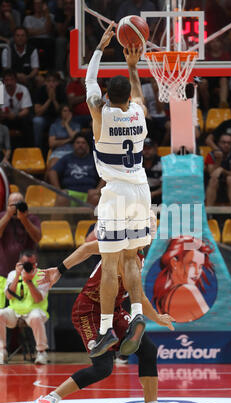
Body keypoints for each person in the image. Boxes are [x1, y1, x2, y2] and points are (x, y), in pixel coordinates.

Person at [28, 236, 181, 403]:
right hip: (89, 311)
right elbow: (135, 292)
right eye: (148, 224)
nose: (150, 228)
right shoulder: (123, 252)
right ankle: (48, 400)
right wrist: (59, 269)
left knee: (148, 350)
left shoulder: (135, 254)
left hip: (114, 309)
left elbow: (86, 250)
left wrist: (59, 270)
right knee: (103, 367)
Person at [85, 24, 151, 357]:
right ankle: (138, 316)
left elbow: (88, 83)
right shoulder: (139, 113)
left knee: (110, 264)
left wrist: (101, 45)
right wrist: (133, 65)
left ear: (109, 97)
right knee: (132, 260)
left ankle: (106, 330)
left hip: (114, 194)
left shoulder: (100, 113)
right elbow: (137, 93)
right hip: (141, 190)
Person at [0, 250, 50, 365]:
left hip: (35, 310)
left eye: (32, 264)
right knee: (0, 314)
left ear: (36, 263)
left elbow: (38, 299)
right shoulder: (13, 274)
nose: (30, 266)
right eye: (27, 264)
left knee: (36, 316)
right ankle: (2, 351)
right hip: (15, 311)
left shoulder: (42, 275)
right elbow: (8, 296)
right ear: (19, 263)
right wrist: (18, 275)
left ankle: (41, 352)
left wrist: (29, 281)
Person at [153, 236, 215, 323]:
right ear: (174, 263)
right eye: (192, 265)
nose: (197, 272)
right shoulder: (188, 290)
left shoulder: (167, 294)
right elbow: (211, 323)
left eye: (200, 266)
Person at [48, 133, 100, 207]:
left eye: (83, 143)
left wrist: (98, 190)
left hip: (88, 194)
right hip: (70, 194)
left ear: (87, 145)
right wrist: (58, 189)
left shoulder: (94, 159)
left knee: (95, 198)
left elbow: (105, 175)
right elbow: (52, 172)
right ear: (73, 145)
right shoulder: (66, 158)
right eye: (78, 142)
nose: (80, 145)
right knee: (61, 197)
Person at [0, 191, 41, 278]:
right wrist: (8, 215)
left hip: (28, 271)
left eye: (19, 204)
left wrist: (24, 219)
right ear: (7, 206)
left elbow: (37, 238)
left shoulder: (32, 218)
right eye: (13, 205)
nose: (16, 207)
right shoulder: (2, 217)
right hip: (3, 272)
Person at [205, 133, 231, 206]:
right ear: (218, 143)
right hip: (214, 187)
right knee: (213, 180)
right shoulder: (211, 155)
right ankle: (209, 212)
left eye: (229, 143)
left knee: (230, 178)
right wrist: (218, 160)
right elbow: (211, 173)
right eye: (223, 142)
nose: (226, 145)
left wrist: (222, 170)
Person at [33, 71, 67, 150]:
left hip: (58, 117)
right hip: (44, 117)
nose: (51, 84)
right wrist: (49, 100)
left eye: (54, 81)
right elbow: (38, 113)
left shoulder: (61, 90)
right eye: (48, 81)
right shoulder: (40, 90)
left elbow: (63, 114)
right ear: (45, 82)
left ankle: (59, 148)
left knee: (62, 122)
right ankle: (38, 148)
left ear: (58, 83)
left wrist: (54, 100)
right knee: (37, 121)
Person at [0, 68, 33, 147]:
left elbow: (26, 110)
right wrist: (4, 115)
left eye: (11, 80)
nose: (9, 83)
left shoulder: (23, 89)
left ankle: (28, 149)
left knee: (27, 123)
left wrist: (15, 116)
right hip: (4, 118)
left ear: (16, 80)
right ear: (3, 81)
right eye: (7, 80)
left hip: (19, 117)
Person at [47, 104, 81, 171]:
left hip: (72, 152)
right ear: (61, 113)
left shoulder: (76, 125)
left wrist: (66, 124)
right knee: (52, 166)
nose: (67, 113)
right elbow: (51, 144)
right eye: (65, 111)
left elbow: (74, 137)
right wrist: (69, 140)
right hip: (58, 152)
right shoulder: (54, 126)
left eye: (69, 111)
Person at [23, 0, 55, 70]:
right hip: (33, 40)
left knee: (50, 43)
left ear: (44, 5)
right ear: (33, 5)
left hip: (47, 41)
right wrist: (44, 30)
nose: (38, 5)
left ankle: (50, 69)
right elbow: (29, 32)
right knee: (31, 43)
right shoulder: (28, 18)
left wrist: (47, 14)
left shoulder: (50, 17)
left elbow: (49, 30)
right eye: (36, 3)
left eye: (40, 3)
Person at [142, 137, 162, 206]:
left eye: (149, 148)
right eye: (144, 149)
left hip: (157, 195)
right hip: (141, 193)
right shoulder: (137, 164)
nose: (147, 151)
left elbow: (165, 186)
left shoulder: (162, 163)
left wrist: (152, 194)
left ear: (154, 149)